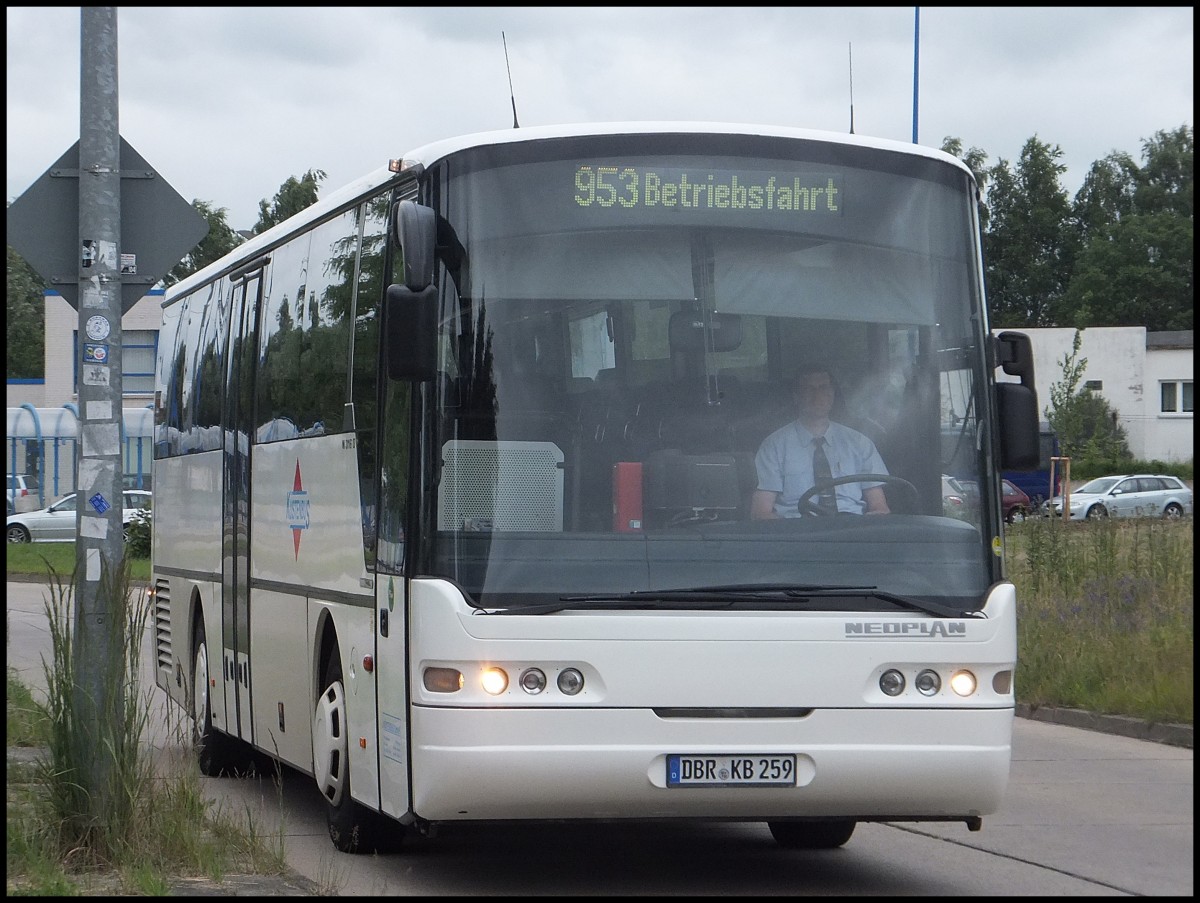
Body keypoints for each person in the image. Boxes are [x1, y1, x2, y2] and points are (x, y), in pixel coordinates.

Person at [751, 365, 890, 518]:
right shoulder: (773, 446)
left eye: (823, 388)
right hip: (797, 533)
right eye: (809, 389)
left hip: (851, 530)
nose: (817, 395)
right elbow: (761, 513)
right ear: (796, 396)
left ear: (832, 394)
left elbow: (879, 508)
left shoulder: (860, 443)